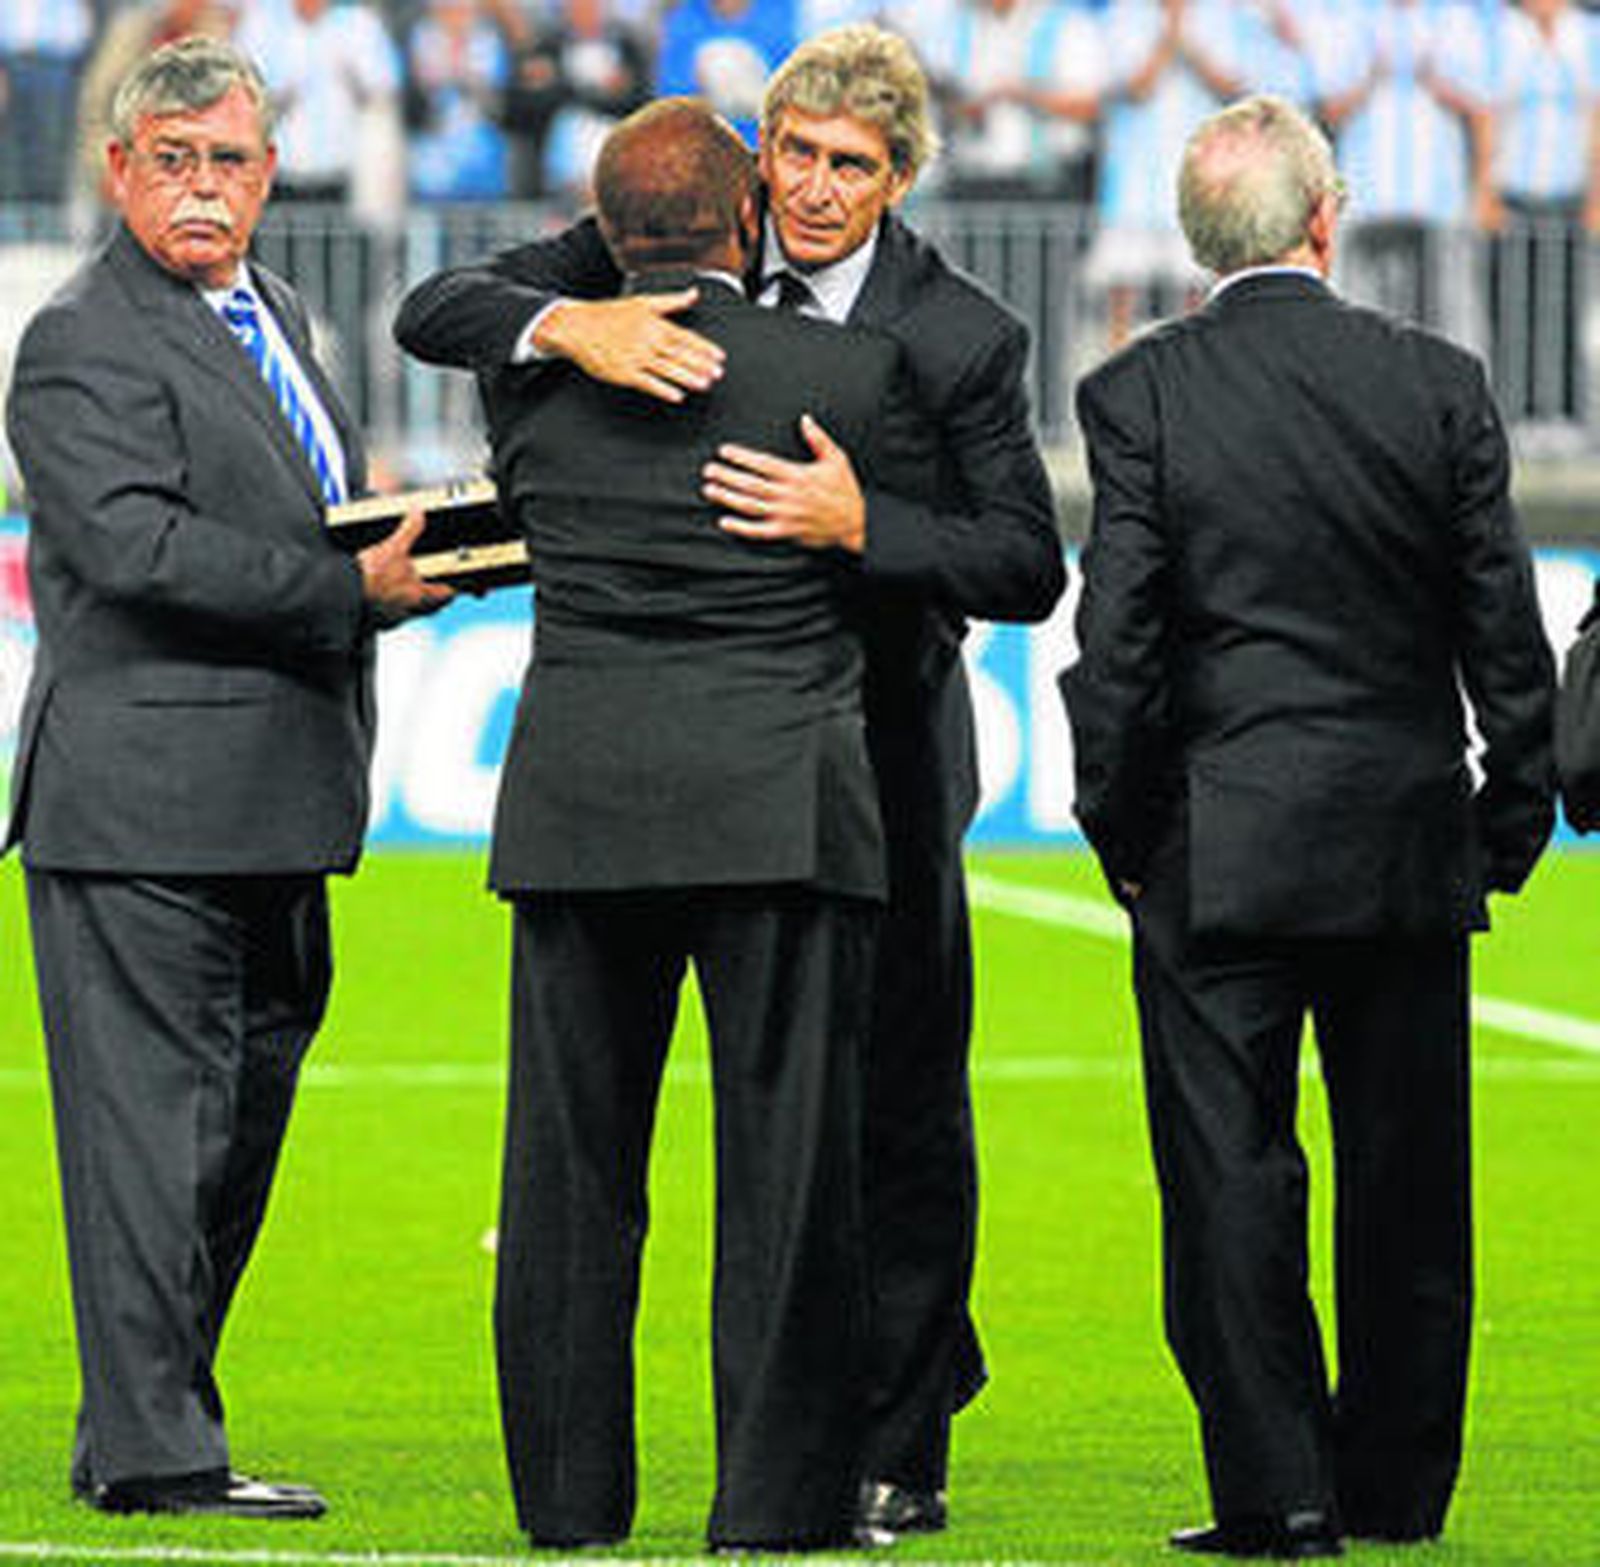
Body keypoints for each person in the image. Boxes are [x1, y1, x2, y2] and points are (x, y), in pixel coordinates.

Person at [394, 23, 1067, 1537]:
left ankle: (899, 1440)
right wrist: (571, 328)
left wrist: (865, 526)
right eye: (797, 157)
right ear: (751, 179)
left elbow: (1024, 559)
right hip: (772, 770)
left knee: (899, 1109)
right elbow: (440, 303)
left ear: (900, 179)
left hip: (879, 758)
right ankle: (782, 1479)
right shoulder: (647, 250)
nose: (817, 189)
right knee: (791, 1151)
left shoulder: (949, 338)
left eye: (852, 166)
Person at [1061, 93, 1556, 1558]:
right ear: (1326, 220)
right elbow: (1501, 624)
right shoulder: (1439, 382)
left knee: (1229, 1178)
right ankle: (1395, 1490)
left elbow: (1119, 643)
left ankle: (1276, 1493)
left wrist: (1124, 830)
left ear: (1195, 239)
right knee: (1409, 1181)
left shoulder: (1140, 393)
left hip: (1217, 844)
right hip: (1401, 834)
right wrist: (1508, 816)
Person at [5, 35, 451, 1519]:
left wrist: (409, 546)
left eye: (230, 162)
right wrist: (350, 592)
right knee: (155, 1142)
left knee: (229, 1136)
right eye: (174, 161)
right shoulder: (81, 337)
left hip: (274, 796)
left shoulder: (278, 310)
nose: (202, 188)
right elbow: (136, 548)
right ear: (118, 169)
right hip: (145, 806)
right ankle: (159, 1453)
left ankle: (143, 1421)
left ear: (270, 175)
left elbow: (294, 513)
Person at [477, 96, 902, 1551]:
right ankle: (773, 1505)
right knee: (785, 1172)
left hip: (579, 804)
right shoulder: (843, 375)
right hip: (777, 803)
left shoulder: (528, 387)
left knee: (567, 1174)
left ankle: (569, 1502)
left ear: (602, 231)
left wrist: (578, 299)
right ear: (752, 217)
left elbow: (487, 306)